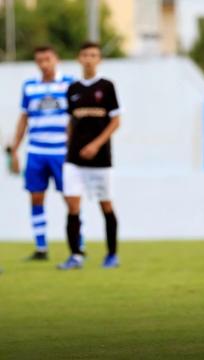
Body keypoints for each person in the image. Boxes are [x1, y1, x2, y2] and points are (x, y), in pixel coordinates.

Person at [57, 42, 121, 270]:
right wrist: (68, 146)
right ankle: (75, 255)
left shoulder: (107, 87)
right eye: (85, 54)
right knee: (72, 205)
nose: (89, 58)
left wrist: (95, 145)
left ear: (99, 59)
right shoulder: (72, 88)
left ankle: (112, 254)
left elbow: (115, 121)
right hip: (74, 160)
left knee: (106, 205)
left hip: (101, 159)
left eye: (93, 55)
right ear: (79, 58)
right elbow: (71, 122)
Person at [9, 45, 76, 261]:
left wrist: (73, 148)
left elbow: (75, 119)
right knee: (36, 197)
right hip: (36, 151)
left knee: (71, 198)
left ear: (56, 59)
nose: (44, 64)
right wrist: (15, 149)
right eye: (39, 60)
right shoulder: (30, 86)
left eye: (47, 59)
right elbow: (24, 118)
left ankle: (78, 244)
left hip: (61, 151)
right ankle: (41, 247)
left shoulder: (69, 84)